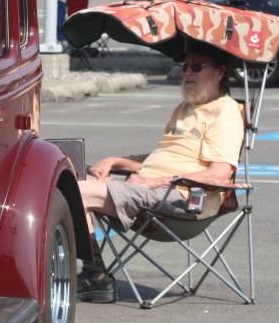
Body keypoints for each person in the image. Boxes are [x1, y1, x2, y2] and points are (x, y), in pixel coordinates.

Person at [76, 42, 245, 303]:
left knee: (77, 191)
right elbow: (162, 158)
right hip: (149, 189)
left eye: (196, 67)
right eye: (185, 66)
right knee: (66, 181)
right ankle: (93, 274)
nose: (187, 72)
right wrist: (115, 162)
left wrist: (156, 182)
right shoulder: (185, 107)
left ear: (220, 72)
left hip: (184, 200)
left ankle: (95, 276)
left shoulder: (226, 111)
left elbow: (219, 176)